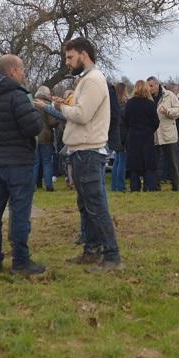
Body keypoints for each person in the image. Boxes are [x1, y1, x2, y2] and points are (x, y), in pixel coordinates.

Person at [53, 36, 121, 270]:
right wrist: (67, 106)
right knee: (87, 205)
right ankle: (91, 250)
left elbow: (82, 115)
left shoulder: (93, 80)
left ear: (84, 53)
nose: (67, 62)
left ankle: (111, 256)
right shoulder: (86, 79)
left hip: (89, 152)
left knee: (96, 206)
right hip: (81, 151)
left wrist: (61, 107)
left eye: (70, 57)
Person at [0, 54, 45, 276]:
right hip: (19, 164)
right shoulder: (18, 96)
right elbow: (32, 128)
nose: (24, 73)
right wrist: (37, 112)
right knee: (19, 212)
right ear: (12, 71)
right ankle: (21, 261)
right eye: (22, 69)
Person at [122, 80, 161, 191]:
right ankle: (150, 186)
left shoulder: (130, 103)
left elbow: (125, 120)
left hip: (133, 136)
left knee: (134, 164)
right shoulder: (150, 104)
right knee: (148, 163)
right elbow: (156, 122)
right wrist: (150, 130)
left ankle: (135, 187)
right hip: (147, 136)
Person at [148, 77, 179, 191]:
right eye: (148, 85)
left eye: (151, 85)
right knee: (155, 162)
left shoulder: (169, 95)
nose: (149, 88)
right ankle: (156, 186)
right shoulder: (147, 97)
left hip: (168, 133)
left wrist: (168, 111)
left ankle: (176, 185)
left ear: (157, 84)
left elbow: (178, 110)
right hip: (154, 133)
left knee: (172, 161)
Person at [34, 87, 59, 193]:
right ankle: (48, 185)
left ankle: (32, 186)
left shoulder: (32, 103)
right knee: (47, 162)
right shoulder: (46, 105)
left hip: (34, 137)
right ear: (46, 94)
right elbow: (52, 122)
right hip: (46, 137)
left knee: (35, 163)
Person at [110, 82, 128, 192]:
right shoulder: (124, 103)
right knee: (122, 160)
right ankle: (120, 186)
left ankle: (114, 185)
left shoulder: (113, 102)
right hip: (123, 134)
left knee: (117, 160)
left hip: (116, 133)